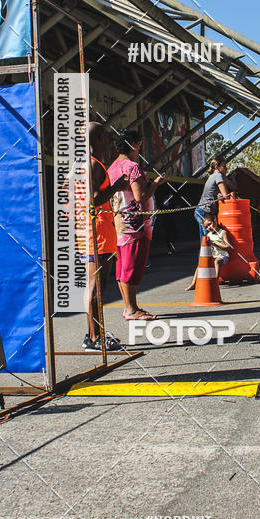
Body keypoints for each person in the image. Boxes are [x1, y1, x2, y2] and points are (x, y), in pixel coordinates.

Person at [77, 123, 129, 352]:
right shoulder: (93, 164)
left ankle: (92, 335)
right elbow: (94, 199)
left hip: (95, 232)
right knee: (97, 286)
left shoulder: (86, 164)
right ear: (98, 138)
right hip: (96, 234)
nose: (109, 142)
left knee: (96, 285)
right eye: (106, 137)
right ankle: (96, 338)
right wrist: (117, 186)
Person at [108, 128, 166, 321]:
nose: (141, 147)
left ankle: (129, 307)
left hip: (119, 224)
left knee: (123, 266)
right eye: (139, 143)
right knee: (132, 266)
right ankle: (131, 308)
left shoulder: (112, 167)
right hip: (135, 226)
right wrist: (156, 182)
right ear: (133, 145)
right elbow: (141, 196)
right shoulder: (132, 167)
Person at [186, 215, 233, 290]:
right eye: (206, 227)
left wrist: (215, 244)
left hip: (223, 256)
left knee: (216, 262)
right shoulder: (209, 235)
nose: (209, 227)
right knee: (200, 265)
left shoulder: (222, 232)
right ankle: (193, 283)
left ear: (215, 221)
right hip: (213, 256)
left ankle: (215, 282)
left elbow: (229, 247)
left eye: (210, 224)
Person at [194, 156, 236, 237]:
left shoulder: (213, 176)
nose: (226, 169)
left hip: (202, 211)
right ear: (217, 167)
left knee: (207, 239)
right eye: (224, 166)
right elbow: (226, 196)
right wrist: (222, 196)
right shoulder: (218, 175)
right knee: (207, 239)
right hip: (204, 212)